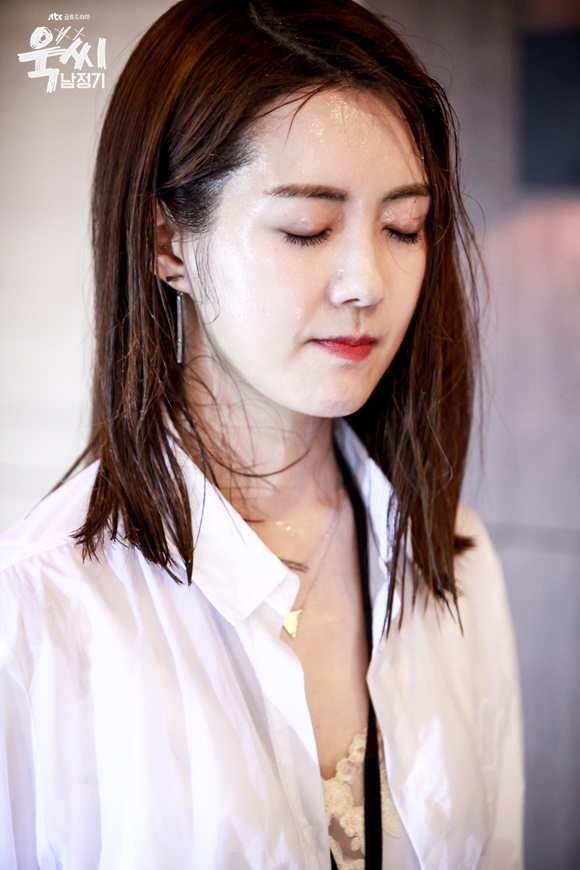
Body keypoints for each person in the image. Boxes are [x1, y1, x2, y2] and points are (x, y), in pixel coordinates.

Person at [0, 1, 524, 868]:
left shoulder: (450, 559)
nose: (367, 282)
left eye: (404, 227)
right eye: (306, 229)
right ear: (168, 242)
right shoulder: (39, 610)